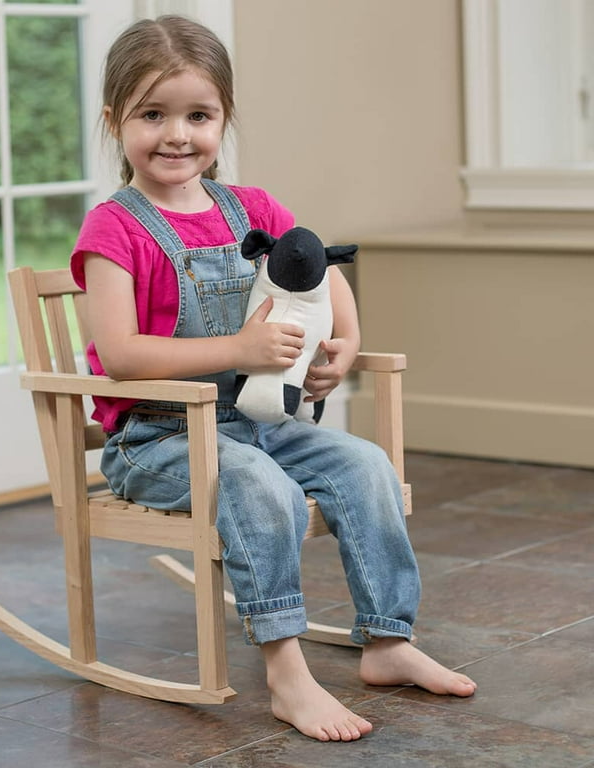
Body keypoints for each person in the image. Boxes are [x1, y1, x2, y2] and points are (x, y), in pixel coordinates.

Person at [71, 14, 476, 742]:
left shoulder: (250, 209)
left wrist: (344, 345)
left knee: (365, 465)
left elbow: (322, 281)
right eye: (153, 115)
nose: (177, 135)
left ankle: (387, 640)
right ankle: (288, 674)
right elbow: (122, 355)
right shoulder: (114, 229)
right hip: (158, 439)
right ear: (114, 121)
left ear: (223, 119)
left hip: (260, 422)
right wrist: (240, 347)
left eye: (199, 115)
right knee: (260, 487)